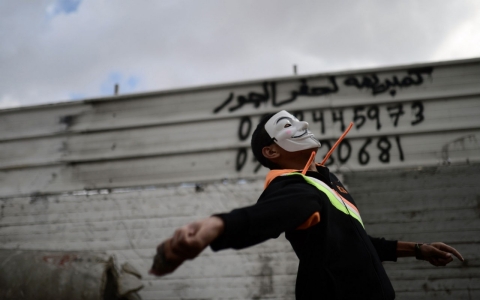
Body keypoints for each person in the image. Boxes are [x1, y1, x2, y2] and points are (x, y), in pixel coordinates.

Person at [150, 110, 464, 299]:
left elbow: (357, 245)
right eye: (286, 125)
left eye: (296, 119)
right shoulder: (295, 187)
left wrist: (419, 250)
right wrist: (215, 227)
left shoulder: (328, 183)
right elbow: (270, 214)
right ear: (271, 152)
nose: (300, 124)